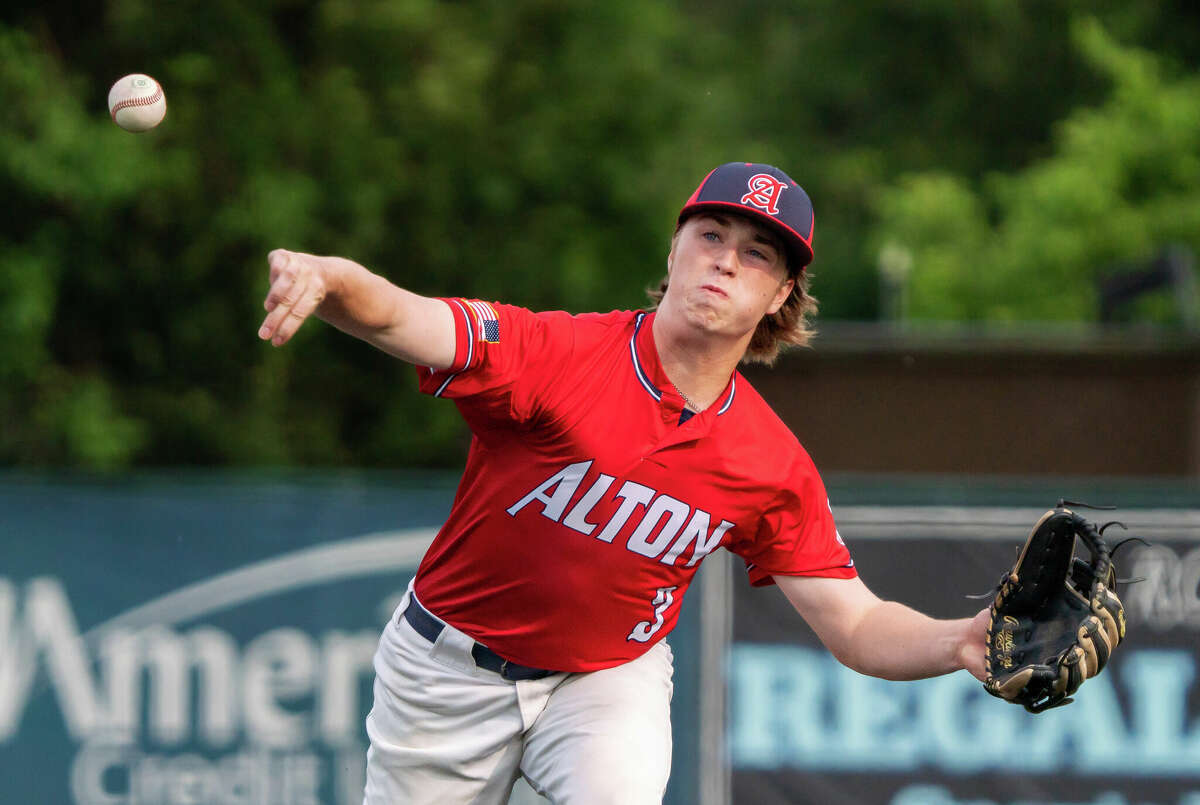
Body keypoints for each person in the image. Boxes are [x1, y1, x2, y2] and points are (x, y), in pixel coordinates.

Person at [257, 162, 990, 805]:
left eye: (757, 253)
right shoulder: (557, 354)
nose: (726, 261)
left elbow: (855, 624)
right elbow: (410, 319)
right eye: (710, 235)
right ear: (673, 249)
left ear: (780, 296)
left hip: (606, 679)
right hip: (444, 672)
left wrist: (959, 640)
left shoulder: (769, 461)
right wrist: (333, 279)